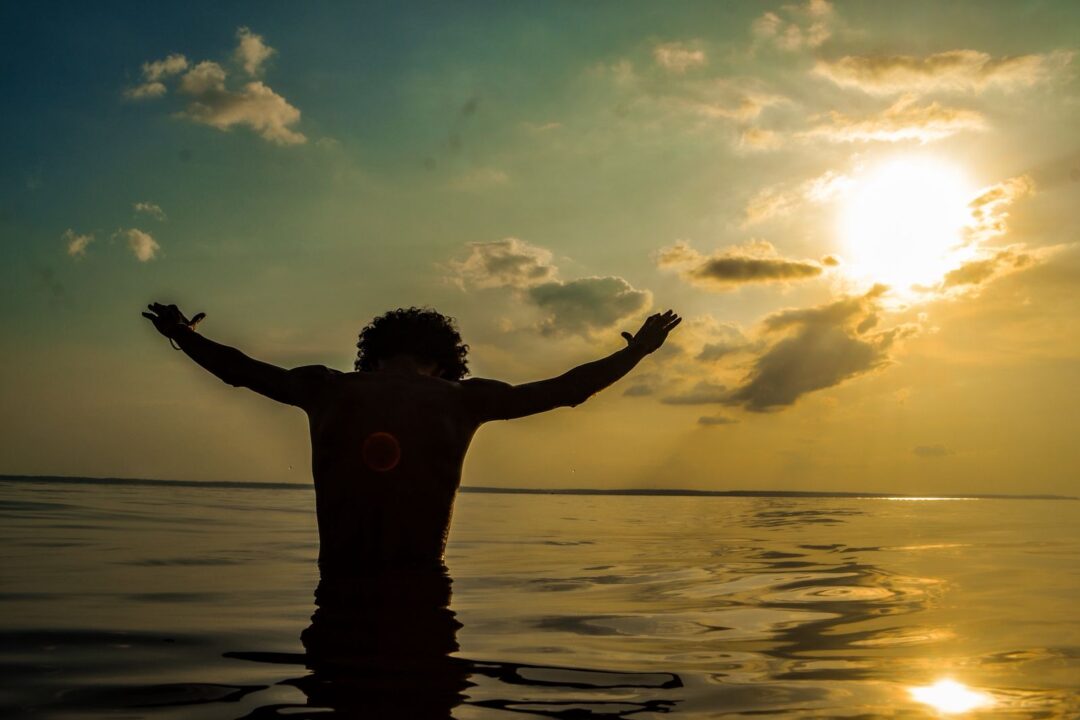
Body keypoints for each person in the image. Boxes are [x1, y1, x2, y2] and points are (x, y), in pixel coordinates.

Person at [142, 303, 680, 576]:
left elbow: (239, 370)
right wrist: (637, 353)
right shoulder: (464, 399)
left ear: (369, 356)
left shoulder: (325, 388)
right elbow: (567, 390)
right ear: (447, 364)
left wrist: (184, 337)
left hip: (339, 586)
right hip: (422, 588)